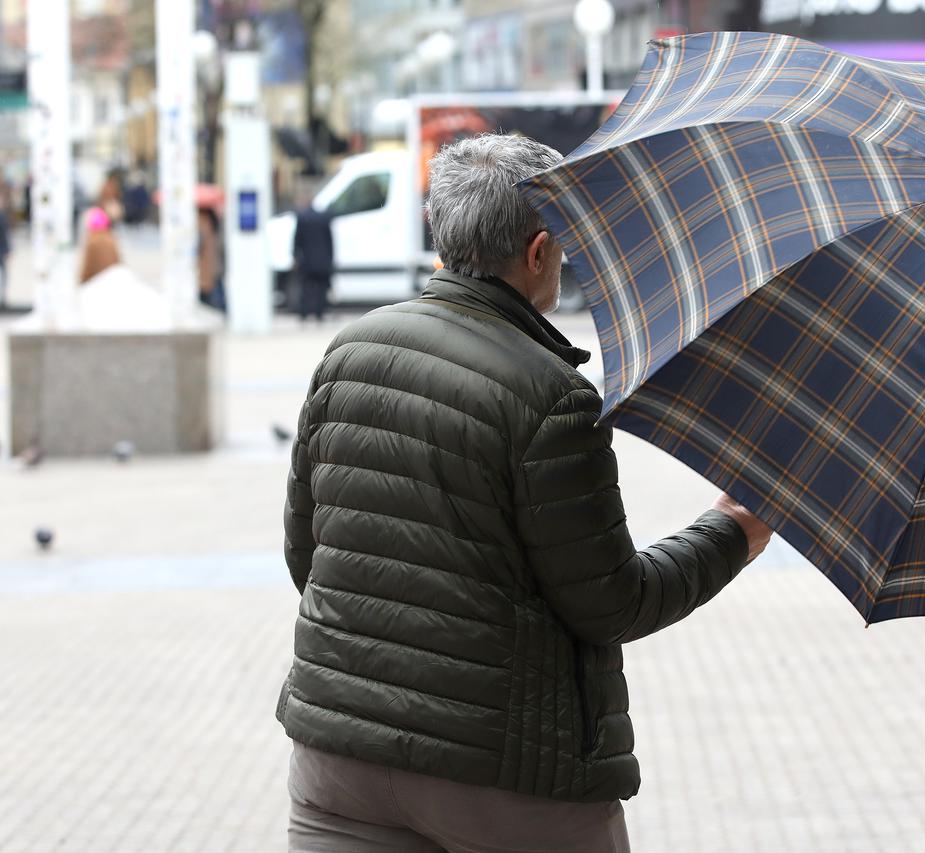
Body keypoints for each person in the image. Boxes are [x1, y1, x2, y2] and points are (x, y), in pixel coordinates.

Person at [277, 133, 772, 852]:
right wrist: (732, 530)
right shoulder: (551, 395)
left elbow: (308, 557)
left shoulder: (350, 350)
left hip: (339, 757)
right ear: (538, 252)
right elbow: (611, 601)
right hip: (505, 772)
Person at [292, 197, 333, 323]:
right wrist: (330, 258)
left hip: (307, 260)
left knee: (305, 288)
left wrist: (295, 256)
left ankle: (304, 313)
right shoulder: (323, 218)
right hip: (322, 259)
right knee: (321, 288)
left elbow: (297, 240)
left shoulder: (302, 218)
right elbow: (330, 241)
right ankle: (319, 314)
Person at [78, 207, 121, 284]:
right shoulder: (111, 239)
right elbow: (118, 263)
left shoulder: (91, 242)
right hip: (113, 281)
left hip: (95, 283)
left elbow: (86, 271)